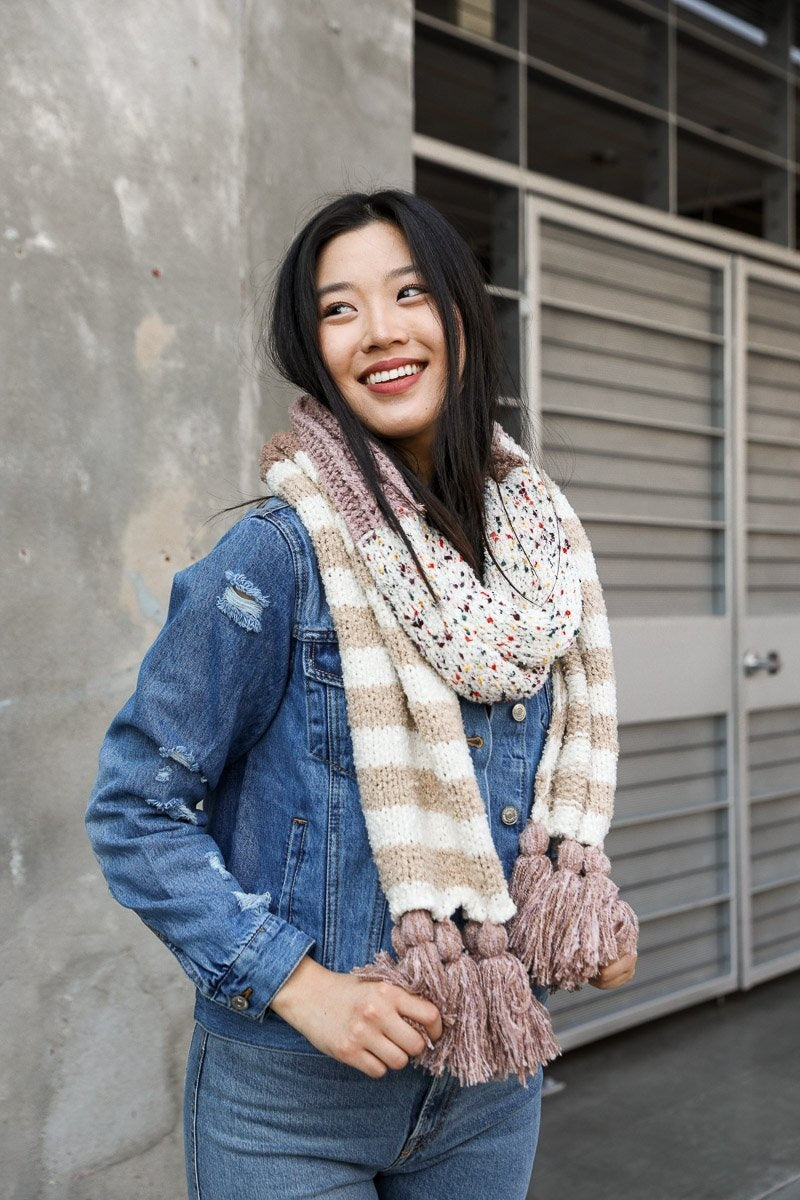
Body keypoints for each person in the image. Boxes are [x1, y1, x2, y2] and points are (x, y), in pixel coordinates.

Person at [85, 189, 637, 1199]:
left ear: (461, 317)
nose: (378, 330)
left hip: (484, 1081)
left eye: (408, 292)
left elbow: (515, 793)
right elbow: (135, 808)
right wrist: (297, 983)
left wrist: (577, 910)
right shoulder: (276, 557)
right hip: (290, 1100)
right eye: (338, 309)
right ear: (313, 348)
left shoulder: (538, 563)